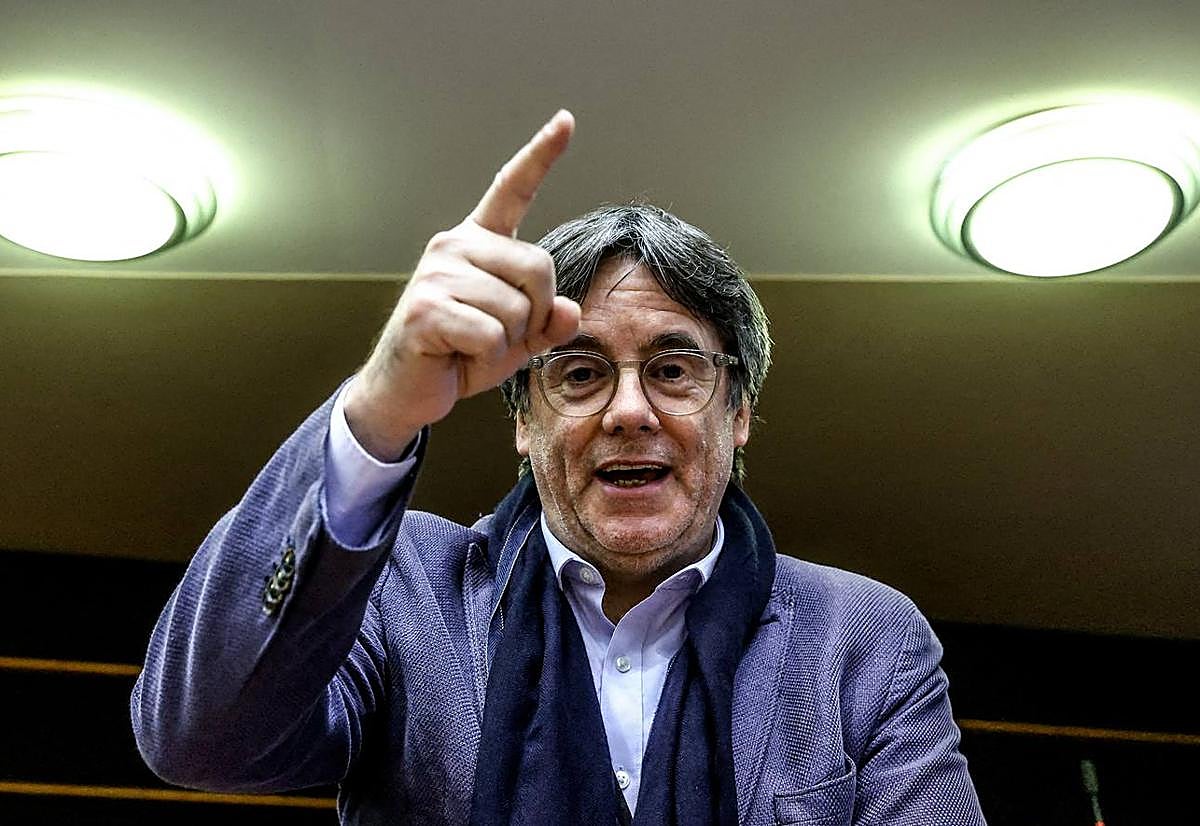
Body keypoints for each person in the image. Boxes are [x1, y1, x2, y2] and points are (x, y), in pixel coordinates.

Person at [131, 110, 985, 825]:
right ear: (522, 423)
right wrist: (381, 406)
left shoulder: (863, 638)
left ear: (738, 414)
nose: (628, 410)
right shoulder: (404, 590)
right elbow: (203, 741)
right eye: (579, 374)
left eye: (673, 369)